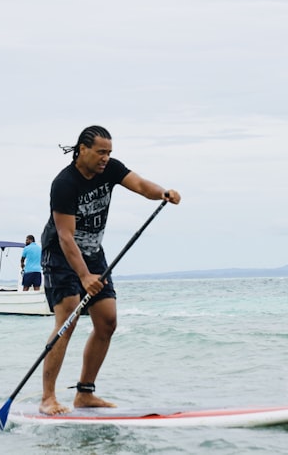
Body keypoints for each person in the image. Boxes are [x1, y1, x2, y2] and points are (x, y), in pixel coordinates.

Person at [38, 125, 181, 416]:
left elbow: (141, 185)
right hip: (60, 254)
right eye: (101, 152)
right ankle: (47, 398)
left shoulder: (111, 169)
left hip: (93, 253)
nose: (106, 158)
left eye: (109, 153)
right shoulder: (64, 183)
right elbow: (66, 236)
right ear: (82, 150)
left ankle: (85, 394)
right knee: (68, 316)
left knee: (107, 322)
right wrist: (83, 277)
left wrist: (163, 192)